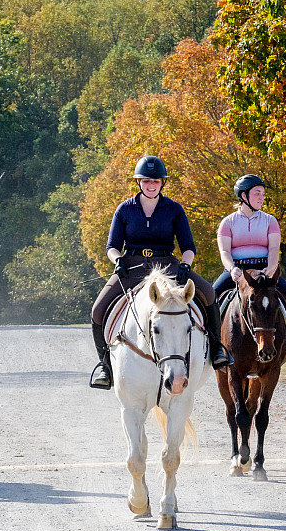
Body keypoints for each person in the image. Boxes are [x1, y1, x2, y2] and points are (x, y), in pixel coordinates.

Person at [89, 155, 233, 390]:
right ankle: (104, 365)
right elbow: (112, 246)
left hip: (167, 265)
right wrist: (118, 260)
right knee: (97, 310)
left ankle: (217, 348)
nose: (151, 184)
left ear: (162, 183)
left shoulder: (173, 209)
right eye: (146, 181)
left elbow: (188, 247)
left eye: (156, 180)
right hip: (132, 266)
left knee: (208, 292)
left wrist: (185, 265)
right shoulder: (124, 209)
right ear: (139, 182)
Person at [211, 174, 286, 358]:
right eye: (257, 193)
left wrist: (271, 267)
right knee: (211, 298)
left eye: (263, 193)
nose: (262, 197)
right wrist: (232, 269)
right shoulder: (227, 223)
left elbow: (274, 248)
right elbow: (224, 252)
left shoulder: (270, 221)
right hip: (237, 272)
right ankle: (213, 344)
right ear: (244, 196)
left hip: (264, 270)